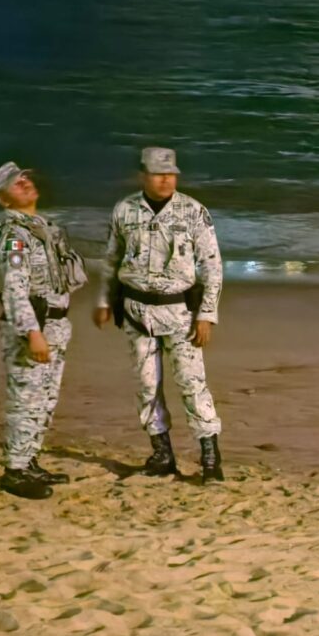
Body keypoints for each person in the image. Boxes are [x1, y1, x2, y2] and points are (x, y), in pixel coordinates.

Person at [93, 147, 225, 483]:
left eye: (171, 174)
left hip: (179, 314)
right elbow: (112, 259)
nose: (166, 179)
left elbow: (212, 266)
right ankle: (162, 454)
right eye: (157, 174)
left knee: (192, 384)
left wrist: (206, 315)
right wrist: (104, 301)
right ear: (143, 176)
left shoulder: (193, 211)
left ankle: (210, 458)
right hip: (136, 312)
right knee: (146, 385)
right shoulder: (124, 210)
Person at [0, 162, 87, 499]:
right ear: (3, 200)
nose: (25, 183)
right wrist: (32, 333)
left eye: (25, 178)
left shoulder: (42, 230)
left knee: (45, 399)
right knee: (26, 400)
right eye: (16, 184)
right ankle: (15, 471)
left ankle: (29, 461)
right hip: (33, 327)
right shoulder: (14, 238)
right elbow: (14, 289)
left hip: (55, 325)